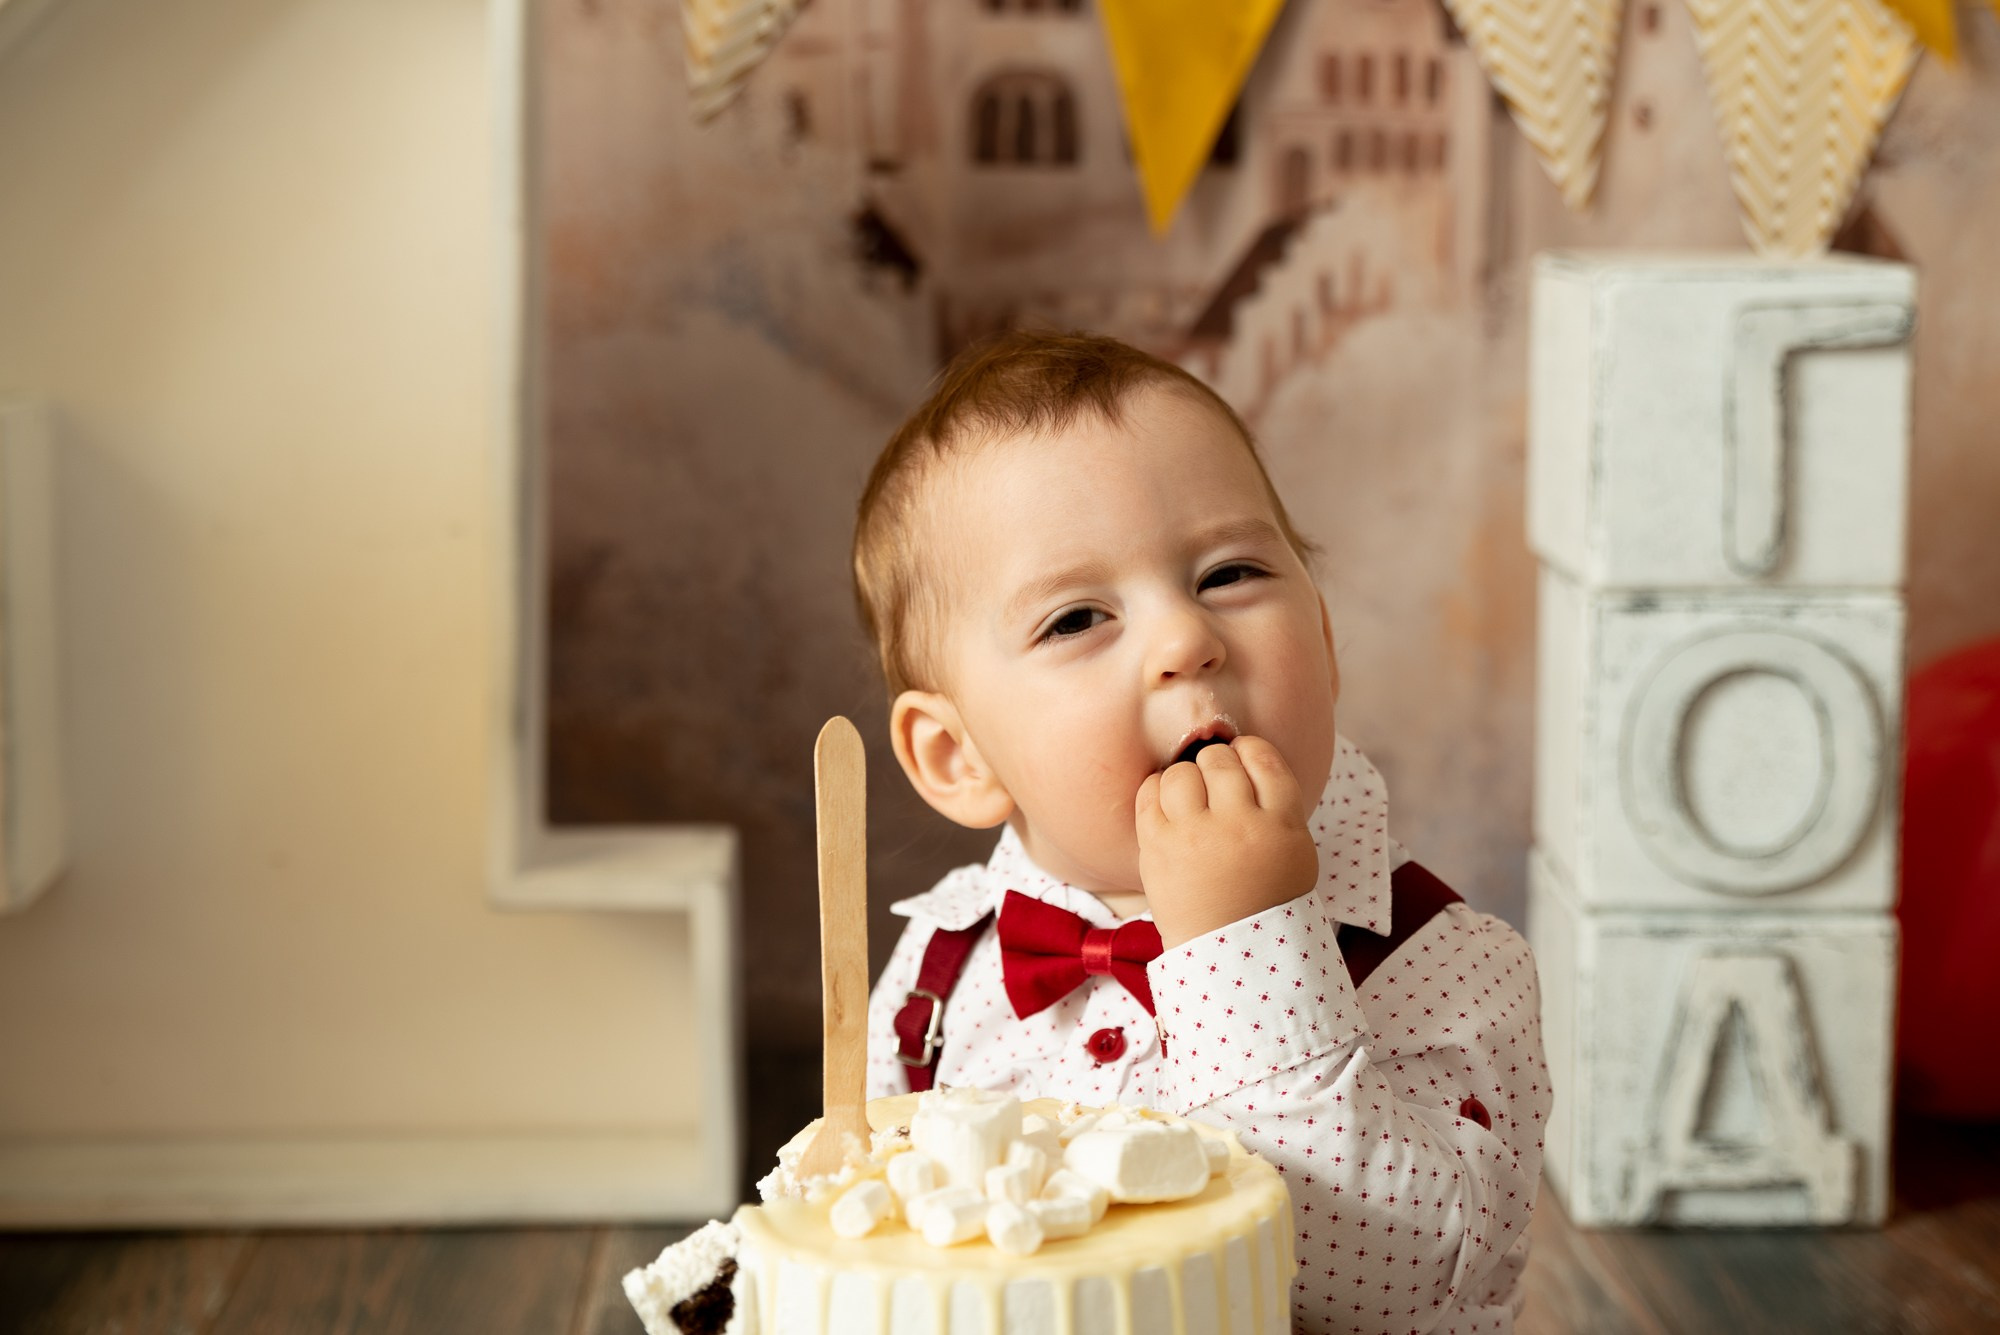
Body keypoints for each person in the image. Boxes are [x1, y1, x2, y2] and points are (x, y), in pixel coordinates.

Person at [855, 329, 1548, 1335]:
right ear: (959, 756)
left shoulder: (1447, 967)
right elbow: (887, 1246)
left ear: (1320, 639)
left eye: (1226, 574)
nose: (1186, 640)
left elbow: (1397, 1276)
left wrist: (1245, 946)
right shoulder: (944, 969)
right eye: (1076, 619)